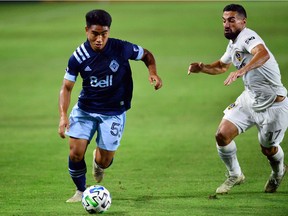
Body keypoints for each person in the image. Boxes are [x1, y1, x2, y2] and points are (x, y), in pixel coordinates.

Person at [58, 9, 162, 202]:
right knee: (75, 152)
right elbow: (66, 88)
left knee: (104, 161)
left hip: (113, 112)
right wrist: (63, 115)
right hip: (85, 110)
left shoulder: (121, 48)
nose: (99, 39)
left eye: (104, 34)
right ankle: (81, 191)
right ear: (86, 30)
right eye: (95, 34)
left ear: (109, 32)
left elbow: (146, 54)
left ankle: (98, 162)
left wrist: (153, 72)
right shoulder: (78, 57)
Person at [187, 4, 288, 194]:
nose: (226, 24)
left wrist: (242, 70)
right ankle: (235, 174)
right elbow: (222, 66)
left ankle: (278, 171)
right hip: (249, 99)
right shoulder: (233, 43)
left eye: (232, 20)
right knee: (222, 135)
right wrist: (202, 67)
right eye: (224, 20)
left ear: (243, 21)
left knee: (268, 149)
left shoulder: (248, 37)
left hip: (274, 104)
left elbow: (263, 53)